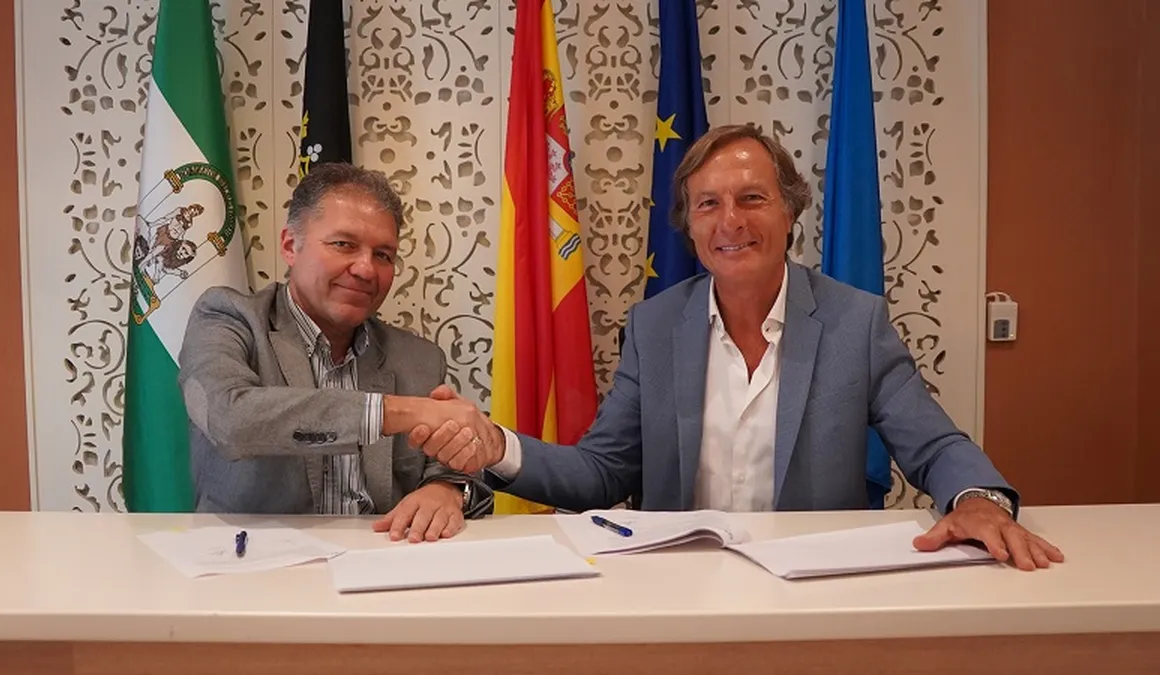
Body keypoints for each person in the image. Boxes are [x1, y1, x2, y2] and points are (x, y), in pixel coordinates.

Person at [411, 124, 1064, 571]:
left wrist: (979, 499)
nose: (731, 221)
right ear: (690, 227)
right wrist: (497, 446)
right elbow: (602, 472)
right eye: (708, 205)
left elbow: (936, 444)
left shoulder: (854, 322)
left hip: (813, 592)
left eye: (752, 198)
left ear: (789, 212)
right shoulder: (655, 327)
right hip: (681, 589)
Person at [178, 163, 498, 542]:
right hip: (255, 561)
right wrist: (397, 412)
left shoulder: (419, 358)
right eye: (344, 244)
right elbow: (230, 419)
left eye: (383, 255)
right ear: (290, 246)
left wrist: (445, 490)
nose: (366, 269)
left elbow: (460, 465)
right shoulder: (228, 318)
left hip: (381, 559)